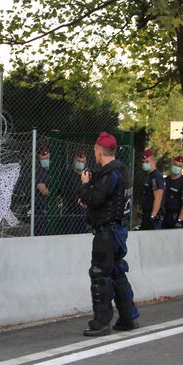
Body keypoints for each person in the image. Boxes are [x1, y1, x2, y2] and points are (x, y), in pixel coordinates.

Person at [77, 132, 140, 336]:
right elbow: (106, 196)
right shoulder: (122, 171)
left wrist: (85, 187)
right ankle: (128, 317)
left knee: (100, 274)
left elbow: (95, 199)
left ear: (98, 151)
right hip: (119, 230)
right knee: (116, 272)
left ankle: (102, 322)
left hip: (107, 232)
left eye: (95, 150)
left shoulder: (110, 175)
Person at [163, 156, 183, 229]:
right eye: (175, 165)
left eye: (179, 166)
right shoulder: (166, 180)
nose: (177, 167)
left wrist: (179, 220)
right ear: (172, 164)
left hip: (177, 216)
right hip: (165, 215)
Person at [63, 150, 89, 234]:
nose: (80, 163)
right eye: (79, 161)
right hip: (71, 212)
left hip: (83, 212)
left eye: (82, 161)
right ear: (75, 160)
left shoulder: (87, 175)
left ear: (85, 162)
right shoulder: (69, 174)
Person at [140, 149, 164, 230]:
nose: (144, 164)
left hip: (153, 215)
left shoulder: (156, 176)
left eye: (147, 161)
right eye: (143, 162)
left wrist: (153, 216)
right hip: (147, 213)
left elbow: (158, 198)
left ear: (154, 161)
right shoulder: (150, 176)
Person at [35, 146, 51, 236]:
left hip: (48, 209)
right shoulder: (38, 170)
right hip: (39, 210)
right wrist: (53, 193)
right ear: (39, 157)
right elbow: (43, 190)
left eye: (47, 158)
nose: (46, 160)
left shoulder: (49, 170)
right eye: (44, 158)